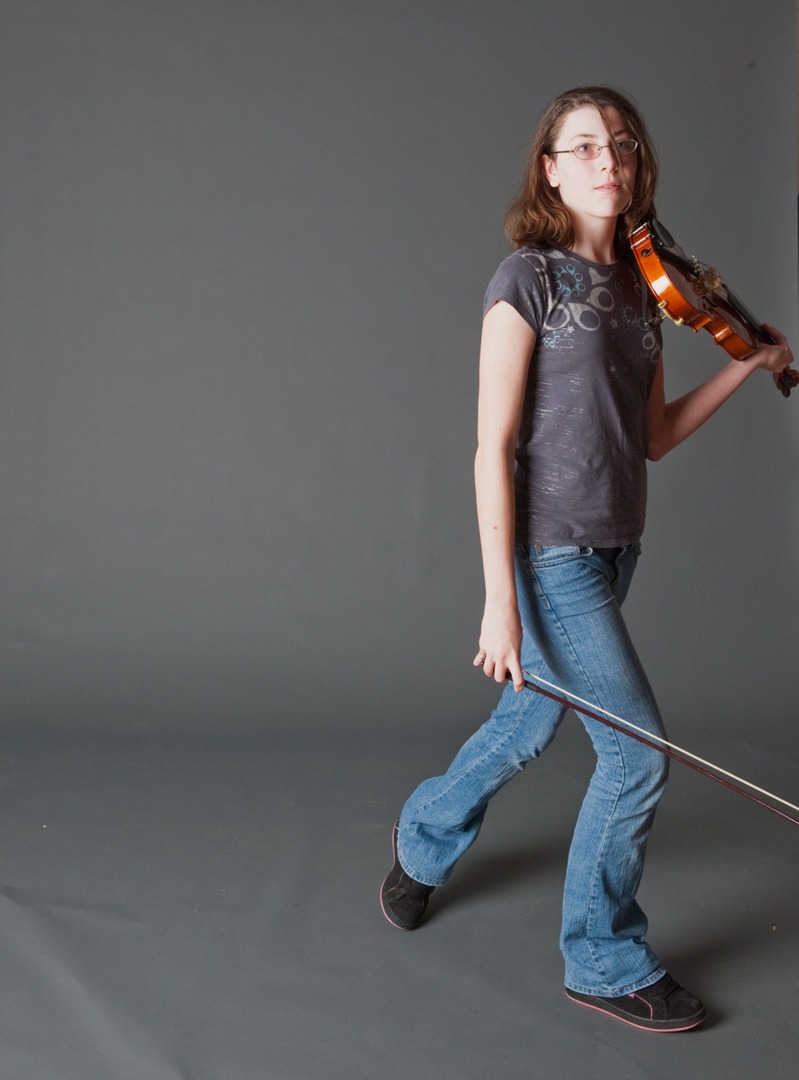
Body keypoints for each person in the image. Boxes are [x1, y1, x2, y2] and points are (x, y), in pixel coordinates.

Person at [379, 85, 795, 1032]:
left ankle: (421, 837)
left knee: (527, 726)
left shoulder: (650, 294)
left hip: (615, 550)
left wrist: (742, 362)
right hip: (546, 555)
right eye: (584, 146)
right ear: (549, 169)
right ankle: (601, 959)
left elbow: (650, 437)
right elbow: (491, 448)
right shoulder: (525, 279)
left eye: (622, 145)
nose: (609, 160)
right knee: (635, 758)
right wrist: (500, 602)